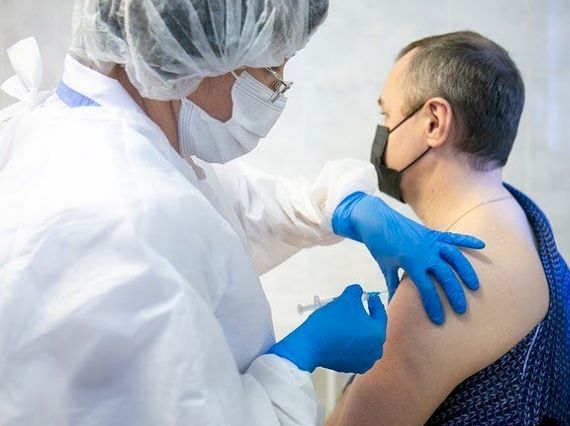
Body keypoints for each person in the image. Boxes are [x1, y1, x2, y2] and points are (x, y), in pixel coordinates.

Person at [0, 2, 486, 425]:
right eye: (273, 68)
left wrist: (341, 207)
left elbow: (224, 210)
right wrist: (302, 355)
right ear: (197, 55)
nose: (277, 89)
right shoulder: (117, 219)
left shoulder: (108, 133)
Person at [327, 31, 570, 426]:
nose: (383, 132)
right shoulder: (522, 219)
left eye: (387, 116)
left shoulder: (444, 277)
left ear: (434, 122)